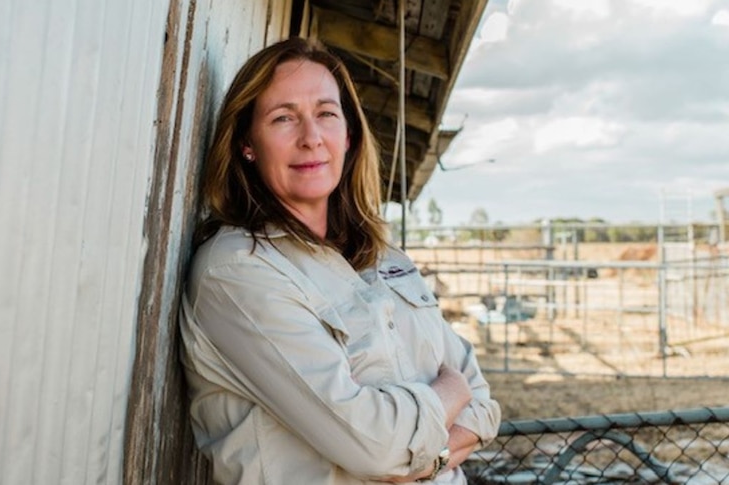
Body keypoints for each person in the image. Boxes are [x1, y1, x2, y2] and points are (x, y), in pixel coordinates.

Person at [178, 36, 501, 484]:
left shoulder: (383, 256)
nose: (311, 138)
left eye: (326, 114)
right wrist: (450, 396)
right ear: (246, 144)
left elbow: (481, 396)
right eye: (283, 118)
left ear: (348, 135)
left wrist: (429, 446)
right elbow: (379, 446)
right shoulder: (238, 272)